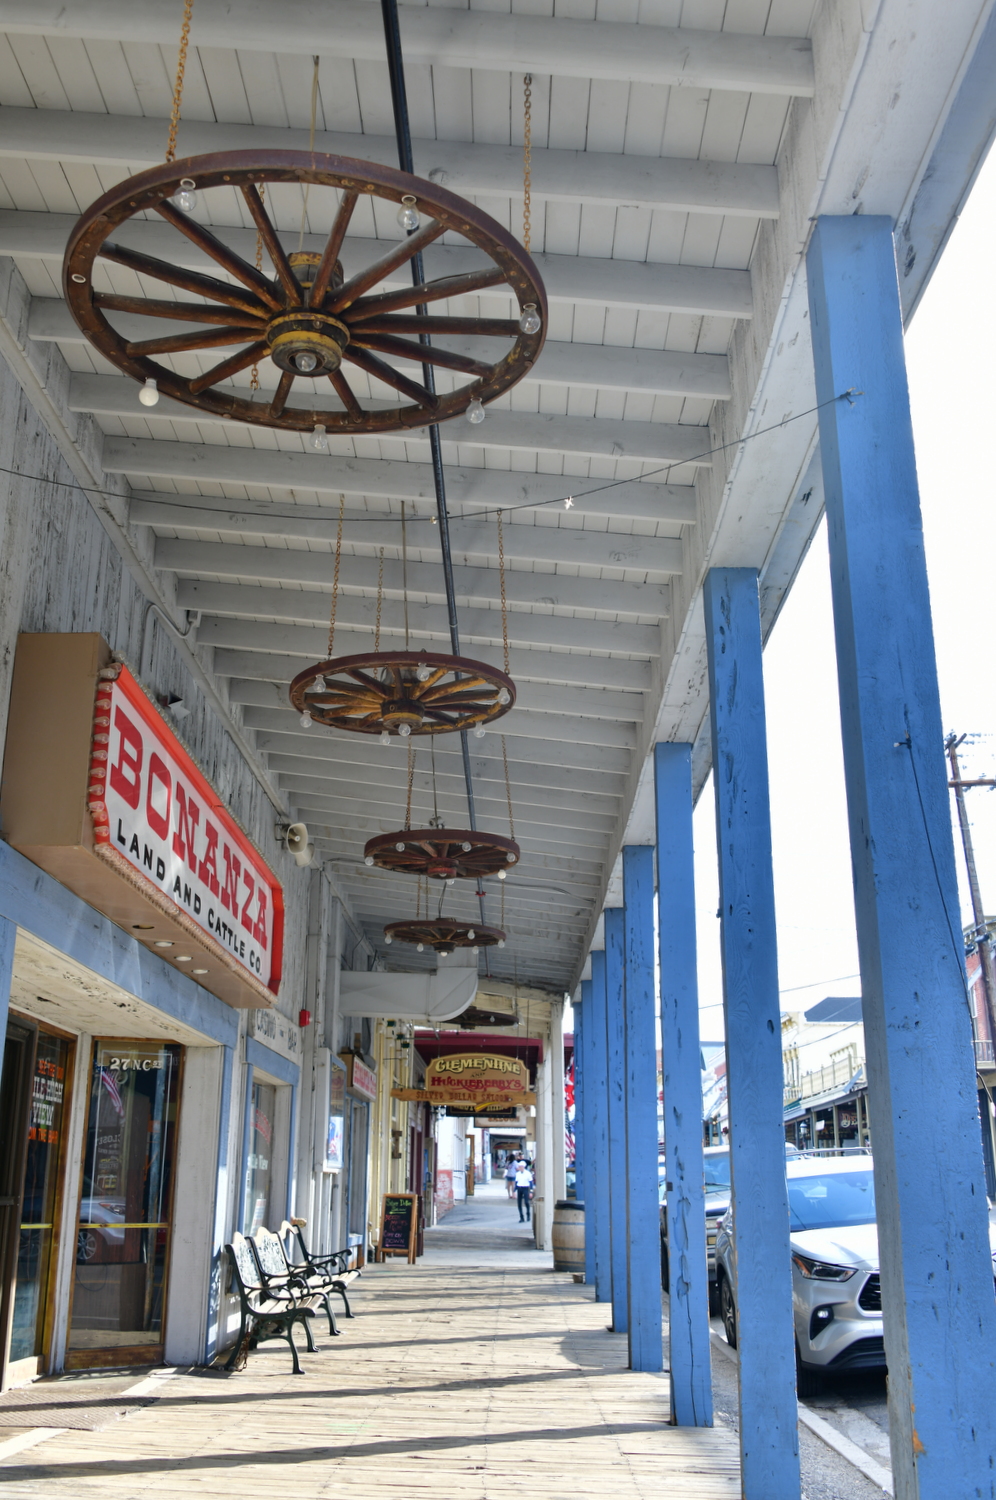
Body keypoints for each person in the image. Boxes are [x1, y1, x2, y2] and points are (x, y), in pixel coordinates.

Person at [514, 1157, 534, 1223]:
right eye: (519, 1166)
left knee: (526, 1202)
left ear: (523, 1167)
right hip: (519, 1188)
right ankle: (521, 1217)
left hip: (525, 1188)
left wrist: (531, 1191)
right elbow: (516, 1183)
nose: (519, 1168)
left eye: (520, 1166)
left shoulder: (528, 1173)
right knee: (519, 1203)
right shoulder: (517, 1174)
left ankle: (528, 1214)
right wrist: (514, 1191)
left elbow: (531, 1183)